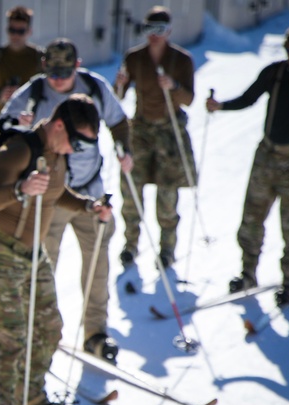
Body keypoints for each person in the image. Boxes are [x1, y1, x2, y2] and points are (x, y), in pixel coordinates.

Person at [0, 94, 112, 405]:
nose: (79, 150)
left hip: (31, 254)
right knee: (7, 342)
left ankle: (29, 402)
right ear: (58, 124)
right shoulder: (19, 149)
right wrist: (19, 189)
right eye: (78, 142)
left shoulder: (58, 155)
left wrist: (87, 206)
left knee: (48, 328)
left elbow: (57, 193)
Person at [0, 38, 134, 362]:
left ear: (77, 65)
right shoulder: (35, 92)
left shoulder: (96, 88)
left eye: (64, 71)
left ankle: (96, 333)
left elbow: (119, 120)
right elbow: (0, 123)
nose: (57, 79)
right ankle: (34, 329)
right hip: (51, 196)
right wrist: (18, 125)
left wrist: (124, 149)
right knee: (43, 266)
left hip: (90, 190)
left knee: (98, 264)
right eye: (52, 71)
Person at [206, 26, 289, 307]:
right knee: (252, 216)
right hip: (267, 156)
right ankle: (248, 273)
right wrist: (220, 106)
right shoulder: (275, 73)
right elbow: (248, 98)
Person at [114, 6, 196, 269]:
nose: (154, 35)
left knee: (167, 195)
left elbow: (189, 99)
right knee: (130, 190)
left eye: (159, 30)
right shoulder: (135, 57)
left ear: (169, 31)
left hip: (169, 132)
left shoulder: (181, 60)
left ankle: (167, 250)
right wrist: (119, 83)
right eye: (149, 29)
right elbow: (119, 95)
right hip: (140, 131)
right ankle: (130, 245)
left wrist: (174, 87)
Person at [0, 6, 45, 117]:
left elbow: (51, 90)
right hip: (1, 120)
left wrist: (24, 95)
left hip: (31, 121)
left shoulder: (40, 58)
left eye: (20, 31)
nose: (15, 35)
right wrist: (0, 97)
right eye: (12, 30)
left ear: (29, 31)